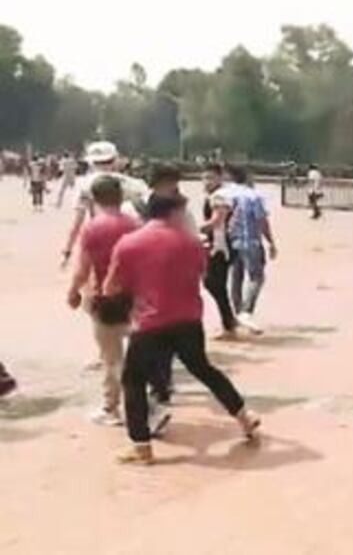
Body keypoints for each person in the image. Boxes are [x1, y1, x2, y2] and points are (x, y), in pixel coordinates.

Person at [103, 192, 260, 465]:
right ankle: (244, 417)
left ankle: (141, 447)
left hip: (151, 322)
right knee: (204, 369)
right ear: (174, 213)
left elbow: (112, 286)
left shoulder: (129, 243)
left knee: (133, 380)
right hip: (188, 319)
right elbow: (199, 274)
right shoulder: (192, 243)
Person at [66, 176, 142, 426]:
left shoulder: (92, 228)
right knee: (139, 355)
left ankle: (112, 409)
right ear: (120, 197)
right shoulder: (135, 224)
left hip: (105, 300)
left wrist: (73, 291)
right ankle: (145, 403)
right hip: (135, 299)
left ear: (94, 199)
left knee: (111, 359)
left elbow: (83, 269)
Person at [61, 141, 150, 267]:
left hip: (98, 238)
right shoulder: (134, 183)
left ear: (90, 162)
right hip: (129, 239)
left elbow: (77, 222)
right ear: (115, 159)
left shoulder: (84, 184)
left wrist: (67, 250)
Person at [224, 165, 277, 335]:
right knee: (256, 277)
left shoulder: (225, 193)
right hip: (251, 242)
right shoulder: (253, 196)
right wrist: (271, 242)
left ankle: (238, 313)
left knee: (236, 278)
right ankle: (245, 311)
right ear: (247, 177)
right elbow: (262, 221)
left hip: (230, 242)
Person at [200, 164, 238, 340]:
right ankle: (229, 323)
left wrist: (191, 228)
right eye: (204, 178)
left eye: (210, 178)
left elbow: (217, 220)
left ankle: (229, 324)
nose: (206, 182)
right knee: (217, 284)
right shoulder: (218, 195)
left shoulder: (219, 197)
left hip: (221, 246)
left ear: (220, 178)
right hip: (221, 243)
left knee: (212, 283)